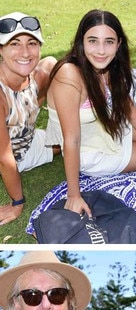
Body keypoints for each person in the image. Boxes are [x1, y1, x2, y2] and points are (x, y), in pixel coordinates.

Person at [45, 9, 136, 217]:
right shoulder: (69, 75)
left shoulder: (108, 66)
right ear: (81, 42)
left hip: (109, 126)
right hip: (91, 150)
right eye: (93, 41)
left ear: (118, 44)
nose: (101, 50)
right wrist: (74, 195)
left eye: (108, 42)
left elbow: (126, 105)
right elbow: (71, 139)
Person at [0, 12, 57, 226]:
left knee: (80, 139)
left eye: (31, 43)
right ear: (1, 50)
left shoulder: (38, 75)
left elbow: (50, 64)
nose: (25, 52)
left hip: (29, 140)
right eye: (14, 43)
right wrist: (17, 203)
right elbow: (5, 160)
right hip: (11, 157)